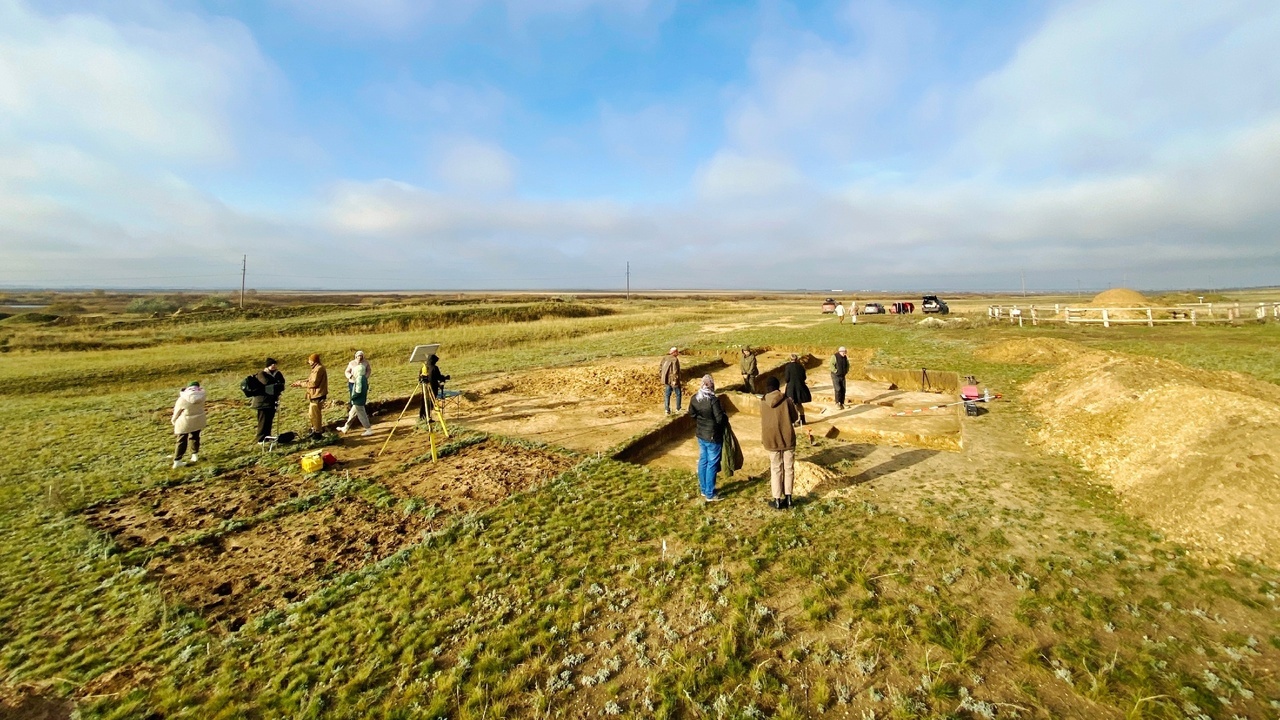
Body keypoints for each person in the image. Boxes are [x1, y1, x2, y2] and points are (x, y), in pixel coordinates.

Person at [760, 376, 798, 509]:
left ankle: (777, 500)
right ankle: (788, 499)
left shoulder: (763, 402)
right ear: (777, 387)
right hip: (787, 438)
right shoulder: (787, 401)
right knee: (789, 468)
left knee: (776, 468)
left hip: (771, 439)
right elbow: (795, 417)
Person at [688, 375, 726, 502]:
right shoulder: (713, 400)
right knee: (712, 464)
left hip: (701, 434)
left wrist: (702, 419)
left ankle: (704, 489)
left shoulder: (695, 398)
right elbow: (719, 418)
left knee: (703, 461)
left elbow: (692, 414)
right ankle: (710, 493)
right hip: (712, 436)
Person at [170, 381, 207, 469]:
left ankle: (177, 460)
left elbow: (177, 412)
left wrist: (173, 420)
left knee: (181, 440)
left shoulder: (183, 398)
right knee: (195, 437)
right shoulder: (202, 396)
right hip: (198, 419)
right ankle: (195, 455)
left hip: (184, 421)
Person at [291, 354, 328, 439]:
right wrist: (300, 382)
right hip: (315, 395)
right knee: (312, 414)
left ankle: (317, 433)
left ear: (314, 361)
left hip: (317, 395)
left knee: (315, 415)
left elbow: (313, 383)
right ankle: (315, 429)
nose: (309, 362)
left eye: (310, 360)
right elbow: (310, 380)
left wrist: (301, 384)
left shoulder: (318, 369)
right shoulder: (316, 368)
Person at [251, 358, 286, 443]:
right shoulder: (261, 374)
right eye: (271, 364)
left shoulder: (278, 373)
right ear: (267, 366)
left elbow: (282, 384)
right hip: (262, 402)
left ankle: (267, 436)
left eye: (274, 364)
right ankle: (260, 439)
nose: (273, 366)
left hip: (272, 401)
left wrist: (277, 386)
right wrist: (276, 384)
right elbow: (267, 384)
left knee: (269, 420)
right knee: (262, 420)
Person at [339, 363, 373, 436]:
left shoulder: (359, 379)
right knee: (352, 413)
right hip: (361, 400)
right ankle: (346, 427)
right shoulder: (364, 378)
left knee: (362, 415)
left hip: (358, 401)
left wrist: (352, 397)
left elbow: (358, 391)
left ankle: (368, 429)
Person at [782, 353, 811, 426]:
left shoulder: (788, 367)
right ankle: (802, 419)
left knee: (792, 404)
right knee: (799, 403)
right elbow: (804, 377)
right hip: (800, 386)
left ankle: (796, 420)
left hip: (791, 388)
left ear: (790, 359)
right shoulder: (801, 367)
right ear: (797, 359)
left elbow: (787, 379)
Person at [418, 353, 449, 421]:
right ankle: (428, 417)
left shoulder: (423, 368)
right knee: (430, 403)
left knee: (424, 402)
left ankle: (422, 417)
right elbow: (438, 377)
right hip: (433, 389)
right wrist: (444, 378)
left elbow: (420, 379)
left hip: (424, 388)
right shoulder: (434, 368)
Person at [659, 347, 682, 415]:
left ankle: (667, 409)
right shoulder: (675, 360)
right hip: (673, 380)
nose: (678, 353)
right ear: (674, 352)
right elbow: (675, 371)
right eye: (677, 352)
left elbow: (660, 368)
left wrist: (662, 377)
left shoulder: (665, 358)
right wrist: (675, 380)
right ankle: (678, 409)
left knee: (667, 395)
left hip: (666, 380)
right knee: (678, 394)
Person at [830, 346, 850, 410]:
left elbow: (848, 364)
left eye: (845, 352)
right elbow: (831, 365)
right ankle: (837, 403)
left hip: (842, 376)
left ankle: (842, 403)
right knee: (838, 389)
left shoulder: (845, 357)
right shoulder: (834, 357)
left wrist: (846, 371)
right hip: (835, 376)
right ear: (840, 352)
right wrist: (836, 371)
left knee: (843, 389)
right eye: (844, 352)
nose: (845, 353)